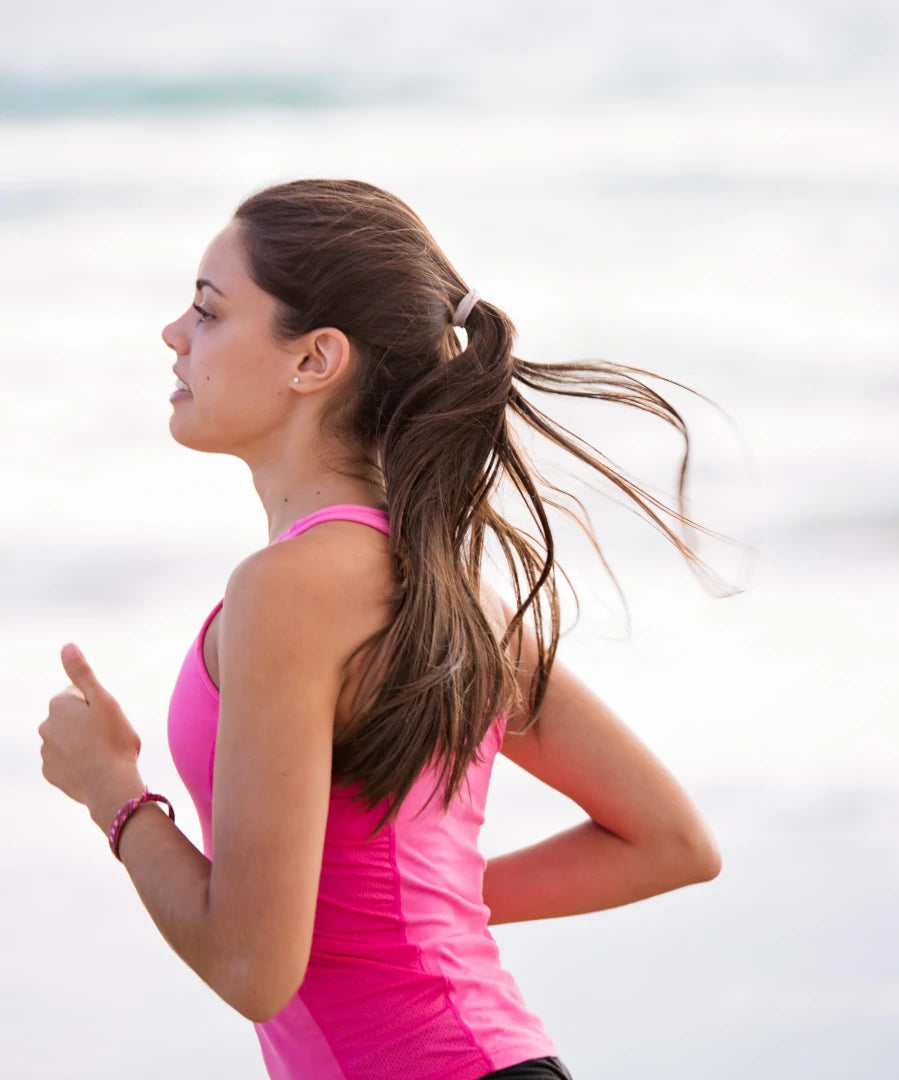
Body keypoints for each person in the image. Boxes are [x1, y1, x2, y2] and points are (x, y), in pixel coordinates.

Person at [38, 178, 726, 1080]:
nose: (174, 334)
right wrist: (411, 915)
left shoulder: (288, 591)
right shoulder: (436, 582)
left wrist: (112, 793)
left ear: (314, 360)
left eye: (208, 311)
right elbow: (668, 842)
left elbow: (251, 969)